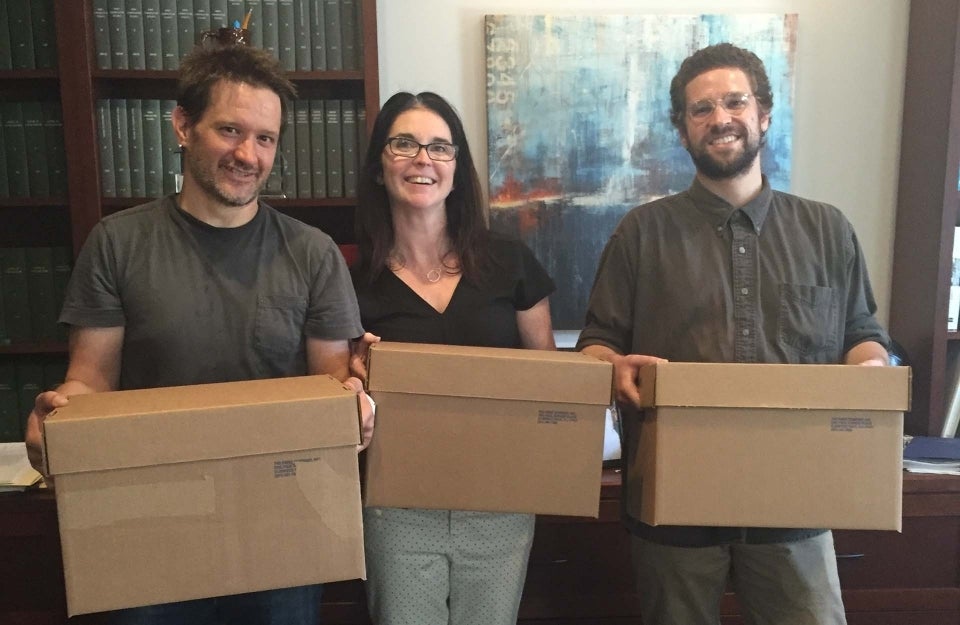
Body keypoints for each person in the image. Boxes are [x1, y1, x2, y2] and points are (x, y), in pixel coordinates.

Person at [24, 42, 373, 625]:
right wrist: (60, 417)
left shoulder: (313, 253)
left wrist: (355, 405)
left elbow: (331, 385)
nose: (248, 154)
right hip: (148, 522)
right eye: (230, 130)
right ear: (183, 125)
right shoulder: (117, 243)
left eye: (265, 138)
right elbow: (91, 380)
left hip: (281, 524)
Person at [576, 43, 889, 625]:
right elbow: (597, 341)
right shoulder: (641, 234)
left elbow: (861, 330)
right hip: (673, 509)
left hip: (798, 499)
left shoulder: (827, 229)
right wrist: (607, 367)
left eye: (735, 101)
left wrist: (872, 369)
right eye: (702, 109)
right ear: (683, 129)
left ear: (764, 114)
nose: (720, 118)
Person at [350, 91, 556, 625]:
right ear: (378, 166)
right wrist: (350, 376)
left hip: (499, 501)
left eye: (441, 147)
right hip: (396, 508)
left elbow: (551, 384)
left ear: (458, 169)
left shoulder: (511, 264)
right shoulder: (347, 281)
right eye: (405, 144)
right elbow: (335, 389)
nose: (423, 159)